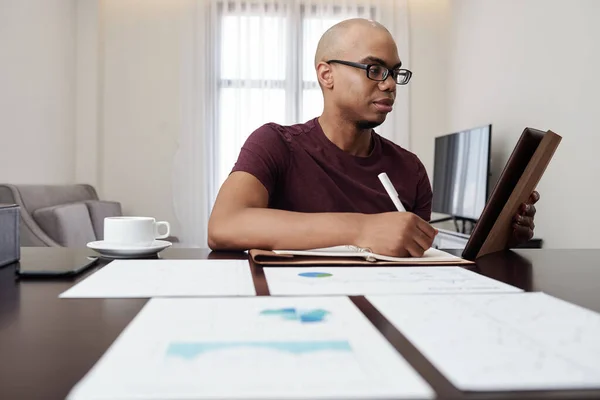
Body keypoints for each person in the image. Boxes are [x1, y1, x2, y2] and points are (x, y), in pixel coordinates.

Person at [208, 18, 538, 256]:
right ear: (327, 75)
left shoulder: (410, 170)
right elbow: (224, 225)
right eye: (374, 69)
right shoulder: (275, 143)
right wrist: (362, 229)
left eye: (395, 72)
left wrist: (499, 242)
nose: (390, 84)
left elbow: (416, 262)